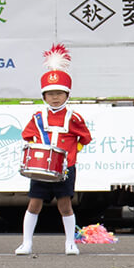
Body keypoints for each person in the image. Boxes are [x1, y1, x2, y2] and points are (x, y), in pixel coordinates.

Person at [16, 45, 92, 255]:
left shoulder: (73, 117)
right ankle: (27, 243)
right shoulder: (38, 117)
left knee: (65, 205)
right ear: (44, 95)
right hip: (41, 169)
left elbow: (85, 138)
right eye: (50, 94)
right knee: (34, 204)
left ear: (67, 94)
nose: (55, 97)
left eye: (59, 93)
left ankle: (70, 243)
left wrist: (72, 153)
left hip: (65, 169)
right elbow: (27, 136)